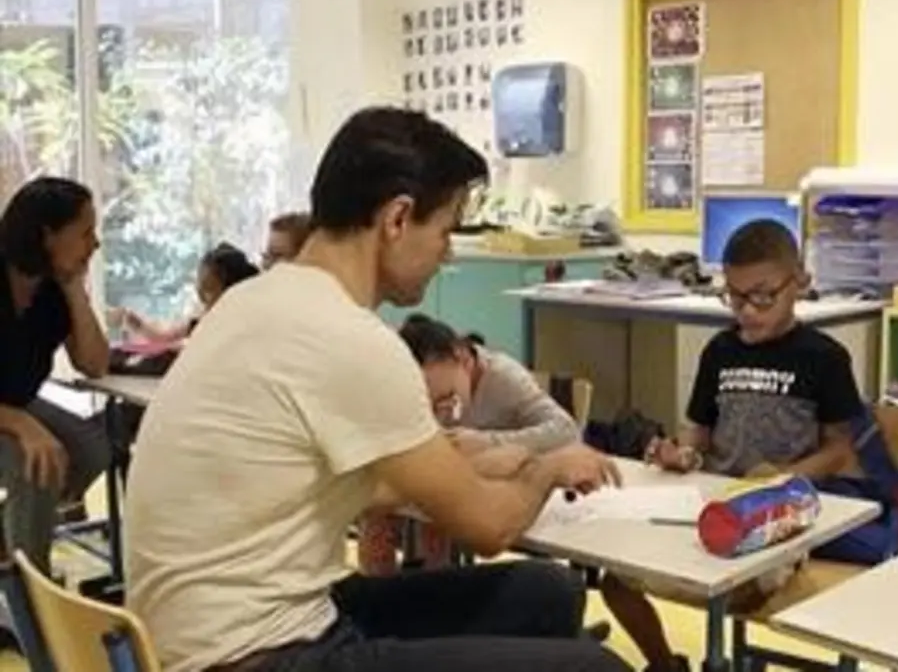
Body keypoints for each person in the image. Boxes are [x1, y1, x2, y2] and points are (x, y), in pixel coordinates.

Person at [124, 107, 632, 672]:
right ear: (397, 218)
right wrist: (547, 469)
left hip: (206, 630)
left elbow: (379, 480)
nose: (446, 253)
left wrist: (484, 461)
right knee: (598, 669)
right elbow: (492, 527)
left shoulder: (255, 301)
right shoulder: (349, 339)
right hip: (252, 655)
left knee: (546, 592)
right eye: (444, 231)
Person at [600, 219, 866, 672]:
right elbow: (699, 433)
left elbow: (841, 451)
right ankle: (666, 665)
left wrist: (783, 478)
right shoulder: (720, 350)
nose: (747, 311)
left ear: (799, 283)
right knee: (616, 580)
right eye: (735, 296)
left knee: (726, 583)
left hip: (778, 518)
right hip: (709, 505)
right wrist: (681, 454)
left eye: (762, 296)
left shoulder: (824, 356)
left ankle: (726, 660)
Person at [358, 312, 580, 576]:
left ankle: (437, 594)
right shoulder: (409, 382)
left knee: (436, 513)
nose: (439, 410)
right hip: (447, 479)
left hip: (500, 485)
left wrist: (489, 442)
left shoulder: (503, 377)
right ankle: (384, 598)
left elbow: (566, 431)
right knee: (377, 515)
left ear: (462, 358)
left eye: (446, 398)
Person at [0, 177, 111, 575]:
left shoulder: (50, 290)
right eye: (85, 232)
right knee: (36, 466)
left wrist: (74, 291)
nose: (94, 244)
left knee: (94, 450)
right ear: (47, 236)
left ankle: (13, 539)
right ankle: (31, 598)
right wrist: (21, 424)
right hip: (10, 408)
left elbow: (94, 363)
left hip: (16, 400)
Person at [112, 242, 260, 344]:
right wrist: (140, 326)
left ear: (232, 291)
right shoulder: (201, 322)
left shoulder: (243, 329)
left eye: (208, 291)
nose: (200, 296)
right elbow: (165, 336)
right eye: (199, 287)